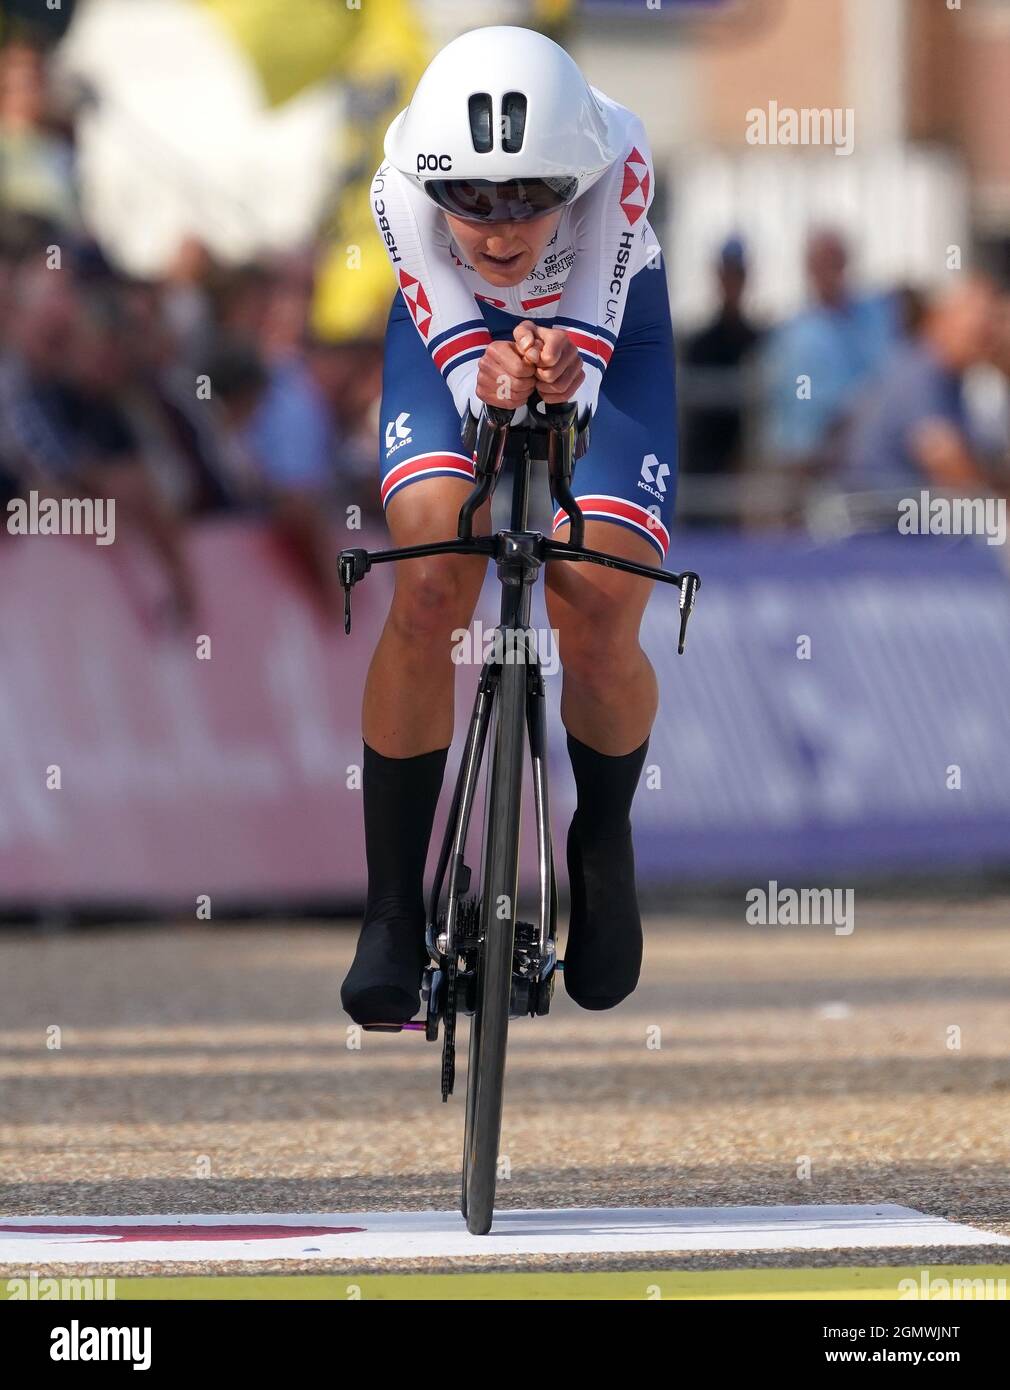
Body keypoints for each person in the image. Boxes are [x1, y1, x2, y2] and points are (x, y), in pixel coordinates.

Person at [341, 26, 677, 1024]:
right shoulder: (398, 182)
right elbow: (459, 358)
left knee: (597, 600)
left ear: (572, 174)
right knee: (432, 576)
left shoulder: (622, 154)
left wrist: (556, 381)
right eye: (471, 199)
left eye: (529, 196)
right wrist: (481, 383)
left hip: (611, 327)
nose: (495, 227)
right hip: (453, 334)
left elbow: (584, 342)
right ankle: (392, 909)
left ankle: (601, 842)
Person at [842, 276, 1005, 501]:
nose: (987, 337)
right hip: (886, 525)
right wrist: (999, 511)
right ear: (941, 319)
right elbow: (947, 462)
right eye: (977, 329)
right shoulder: (921, 373)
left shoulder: (952, 379)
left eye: (990, 330)